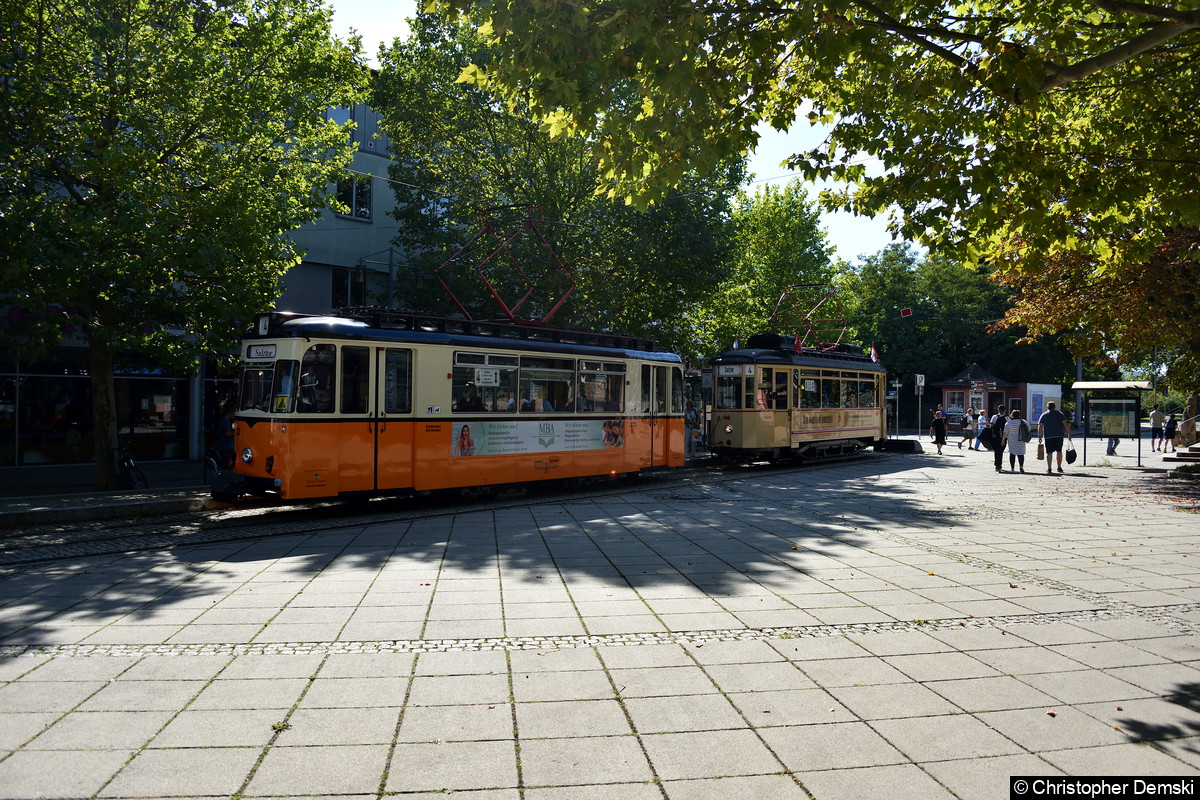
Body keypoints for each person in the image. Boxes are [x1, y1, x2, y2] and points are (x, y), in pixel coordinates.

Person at [1037, 400, 1073, 474]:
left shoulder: (1044, 415)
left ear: (1047, 407)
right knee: (1059, 451)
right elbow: (1065, 423)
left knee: (1049, 452)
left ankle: (1049, 468)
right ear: (1054, 407)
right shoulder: (1059, 414)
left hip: (1048, 436)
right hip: (1059, 435)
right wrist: (1069, 433)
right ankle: (1059, 467)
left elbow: (1040, 426)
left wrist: (1040, 436)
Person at [990, 405, 1009, 472]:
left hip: (996, 436)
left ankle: (997, 465)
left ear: (998, 410)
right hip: (1003, 436)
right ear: (1005, 410)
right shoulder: (1007, 418)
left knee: (996, 450)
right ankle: (999, 464)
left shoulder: (994, 417)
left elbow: (991, 426)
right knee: (1001, 451)